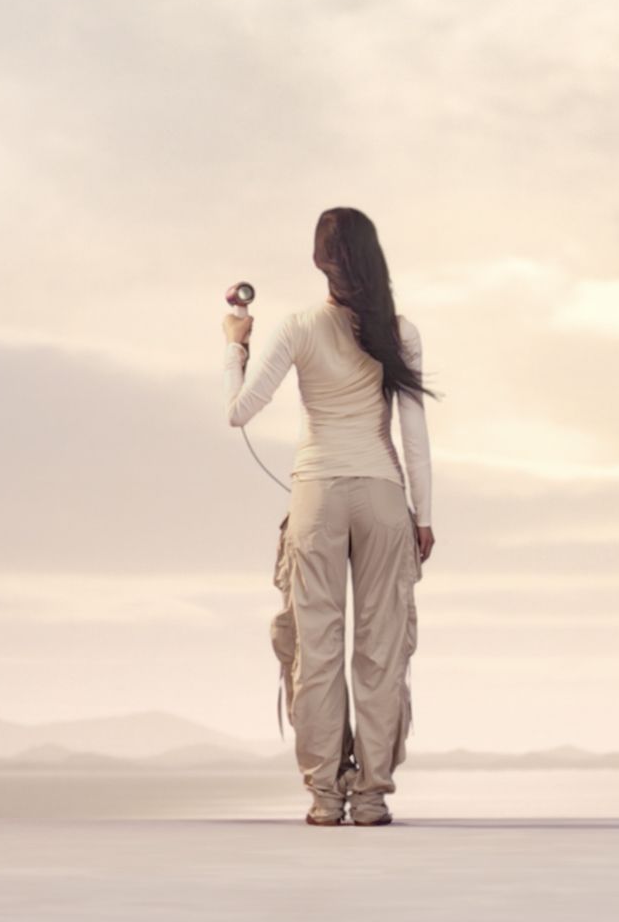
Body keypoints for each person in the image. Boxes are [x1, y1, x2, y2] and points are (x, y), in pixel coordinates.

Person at [221, 207, 441, 827]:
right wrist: (424, 516)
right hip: (382, 496)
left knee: (315, 651)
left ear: (320, 261)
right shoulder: (398, 331)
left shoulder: (295, 327)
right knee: (381, 651)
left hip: (315, 496)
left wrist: (235, 344)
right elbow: (414, 437)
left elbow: (239, 413)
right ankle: (369, 797)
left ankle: (324, 796)